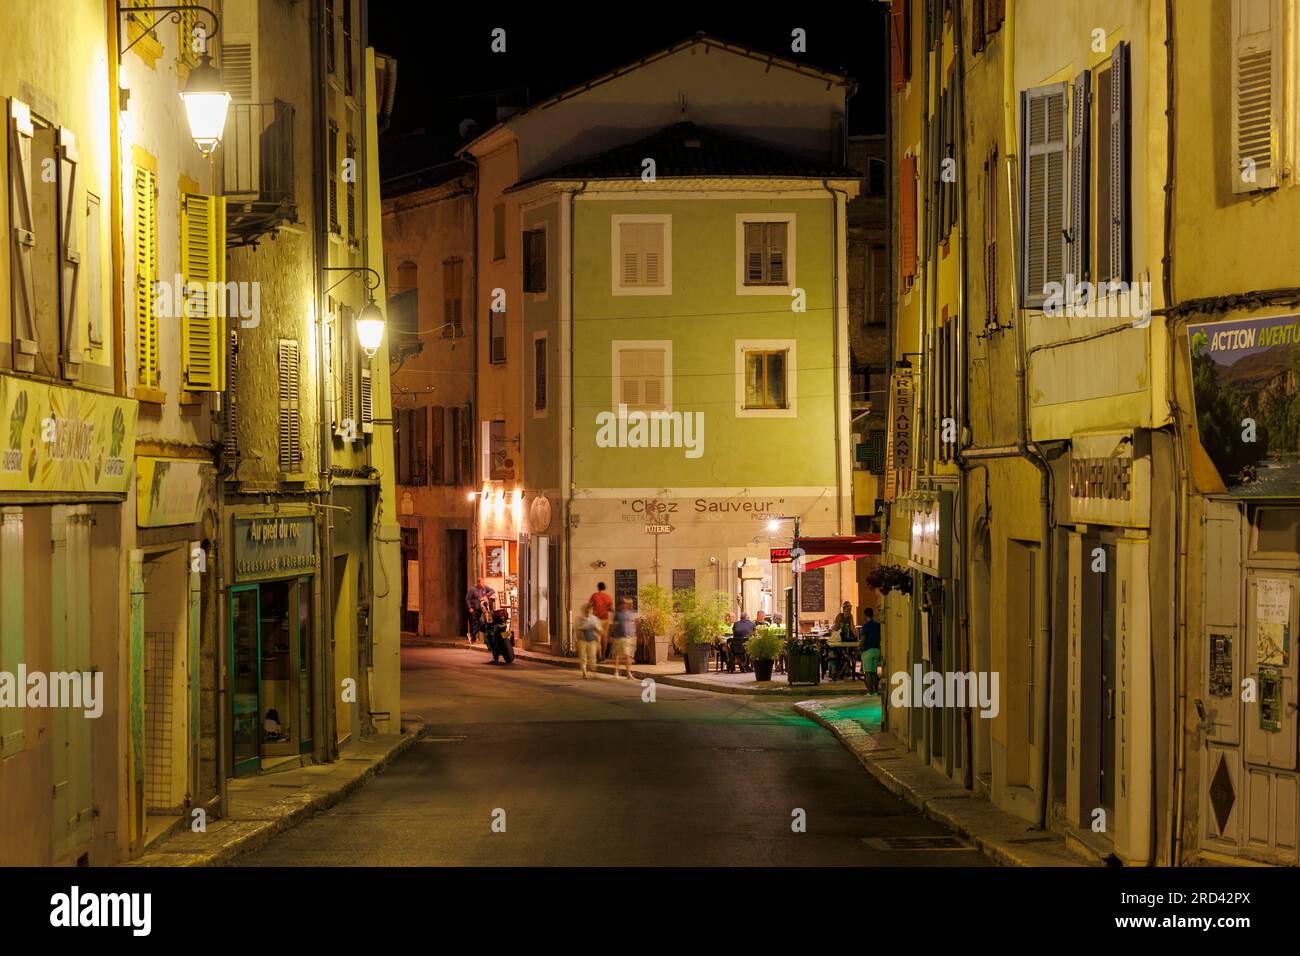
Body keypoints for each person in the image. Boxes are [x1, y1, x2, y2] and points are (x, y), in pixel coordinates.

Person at [611, 598, 638, 678]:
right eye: (628, 603)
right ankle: (616, 671)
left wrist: (635, 635)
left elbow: (633, 625)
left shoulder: (631, 614)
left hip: (629, 637)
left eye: (630, 603)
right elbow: (614, 625)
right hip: (619, 637)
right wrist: (613, 635)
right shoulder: (618, 614)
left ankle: (628, 673)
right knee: (617, 654)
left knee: (628, 655)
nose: (630, 605)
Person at [466, 577, 496, 643]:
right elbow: (467, 599)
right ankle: (473, 638)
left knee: (481, 623)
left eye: (483, 582)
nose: (483, 584)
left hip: (481, 609)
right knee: (473, 623)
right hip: (473, 609)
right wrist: (469, 607)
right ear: (478, 583)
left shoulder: (485, 588)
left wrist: (486, 596)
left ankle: (472, 635)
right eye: (482, 582)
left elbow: (493, 591)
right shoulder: (472, 589)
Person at [859, 608, 882, 694]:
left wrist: (859, 648)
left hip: (868, 651)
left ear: (865, 616)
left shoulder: (865, 626)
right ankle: (876, 692)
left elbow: (863, 639)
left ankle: (870, 692)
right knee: (874, 672)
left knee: (868, 673)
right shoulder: (878, 625)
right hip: (876, 651)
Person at [589, 581, 614, 657]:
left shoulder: (594, 596)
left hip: (596, 619)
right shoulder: (608, 597)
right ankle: (603, 654)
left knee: (597, 637)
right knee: (604, 637)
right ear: (604, 588)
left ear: (598, 587)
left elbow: (589, 606)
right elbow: (611, 609)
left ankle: (599, 655)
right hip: (605, 619)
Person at [577, 602, 601, 679]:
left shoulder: (594, 619)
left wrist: (598, 640)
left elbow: (599, 630)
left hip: (592, 640)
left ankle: (593, 670)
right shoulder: (580, 618)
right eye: (587, 609)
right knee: (583, 657)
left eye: (590, 609)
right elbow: (576, 630)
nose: (588, 610)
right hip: (582, 640)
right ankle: (584, 672)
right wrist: (576, 640)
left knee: (592, 657)